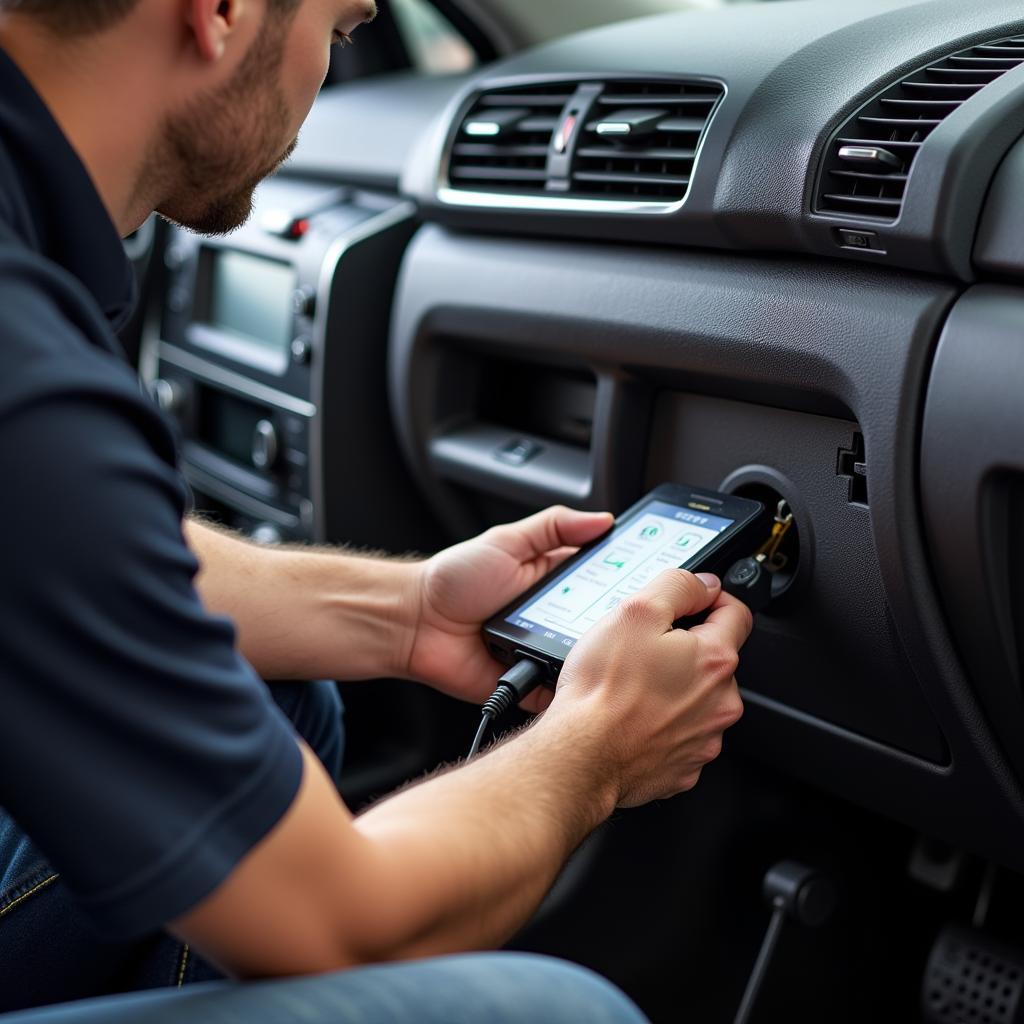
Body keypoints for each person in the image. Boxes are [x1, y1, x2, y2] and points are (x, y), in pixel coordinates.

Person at [0, 1, 752, 1021]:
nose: (322, 77)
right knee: (556, 1011)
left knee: (276, 691)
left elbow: (65, 558)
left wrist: (403, 613)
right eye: (343, 28)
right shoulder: (22, 373)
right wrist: (597, 745)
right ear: (219, 12)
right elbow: (340, 925)